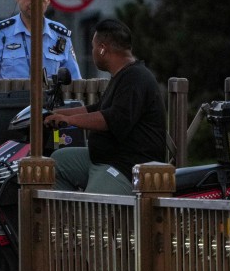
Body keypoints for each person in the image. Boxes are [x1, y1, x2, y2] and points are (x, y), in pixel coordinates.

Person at [44, 19, 166, 195]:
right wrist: (55, 113)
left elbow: (113, 118)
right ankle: (66, 219)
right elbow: (98, 108)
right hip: (102, 157)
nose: (92, 51)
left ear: (102, 48)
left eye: (93, 47)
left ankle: (86, 221)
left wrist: (68, 120)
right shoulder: (122, 75)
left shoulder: (136, 78)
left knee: (92, 208)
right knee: (55, 164)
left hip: (125, 165)